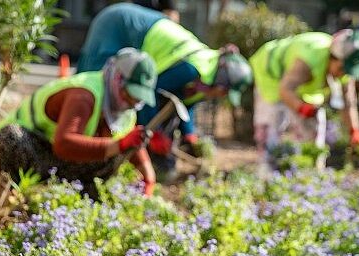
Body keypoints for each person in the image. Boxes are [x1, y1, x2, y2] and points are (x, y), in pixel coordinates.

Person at [77, 3, 253, 181]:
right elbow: (148, 93)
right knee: (97, 87)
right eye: (225, 92)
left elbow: (185, 104)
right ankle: (83, 155)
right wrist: (155, 135)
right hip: (118, 24)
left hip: (138, 28)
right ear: (221, 82)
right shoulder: (191, 70)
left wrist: (189, 134)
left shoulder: (206, 81)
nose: (223, 97)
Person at [0, 48, 158, 197]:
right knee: (11, 137)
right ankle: (11, 194)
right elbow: (64, 144)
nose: (131, 102)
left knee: (112, 157)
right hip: (25, 146)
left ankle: (75, 200)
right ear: (117, 78)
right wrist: (119, 145)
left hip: (51, 159)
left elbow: (129, 138)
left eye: (137, 99)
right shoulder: (84, 95)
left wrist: (148, 175)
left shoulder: (124, 110)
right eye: (129, 94)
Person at [250, 29, 359, 172]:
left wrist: (354, 130)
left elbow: (348, 101)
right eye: (341, 68)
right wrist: (301, 107)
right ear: (333, 57)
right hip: (270, 73)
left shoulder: (345, 69)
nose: (342, 74)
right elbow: (285, 90)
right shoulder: (310, 59)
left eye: (348, 71)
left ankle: (313, 173)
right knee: (271, 125)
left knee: (314, 125)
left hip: (301, 83)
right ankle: (266, 172)